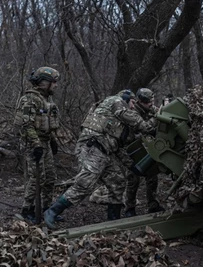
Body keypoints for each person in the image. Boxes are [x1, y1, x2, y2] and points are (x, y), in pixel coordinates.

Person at [43, 89, 157, 229]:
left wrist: (132, 165)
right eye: (132, 102)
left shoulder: (118, 125)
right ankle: (52, 211)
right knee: (85, 183)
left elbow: (119, 148)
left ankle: (113, 220)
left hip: (105, 153)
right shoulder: (115, 101)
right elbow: (135, 120)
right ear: (126, 98)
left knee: (118, 181)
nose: (133, 106)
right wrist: (152, 123)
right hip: (92, 147)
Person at [14, 66, 61, 223]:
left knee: (50, 178)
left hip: (45, 142)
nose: (55, 85)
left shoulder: (47, 99)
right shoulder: (29, 99)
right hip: (33, 144)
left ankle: (47, 209)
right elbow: (26, 125)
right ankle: (27, 210)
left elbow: (48, 123)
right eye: (53, 82)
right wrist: (36, 144)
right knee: (36, 178)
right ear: (43, 82)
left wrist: (53, 141)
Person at [123, 88, 164, 217]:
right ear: (140, 101)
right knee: (133, 179)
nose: (151, 104)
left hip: (148, 146)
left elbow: (158, 112)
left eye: (152, 101)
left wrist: (162, 110)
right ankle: (129, 208)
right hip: (133, 148)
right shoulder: (132, 113)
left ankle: (153, 205)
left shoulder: (150, 109)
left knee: (152, 176)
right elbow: (146, 127)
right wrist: (157, 117)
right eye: (148, 102)